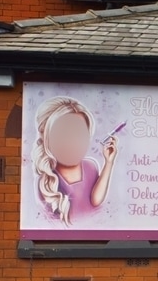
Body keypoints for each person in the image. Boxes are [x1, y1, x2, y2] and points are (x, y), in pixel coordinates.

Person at [31, 96, 118, 224]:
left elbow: (95, 201)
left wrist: (109, 162)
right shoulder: (47, 183)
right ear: (47, 138)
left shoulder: (90, 166)